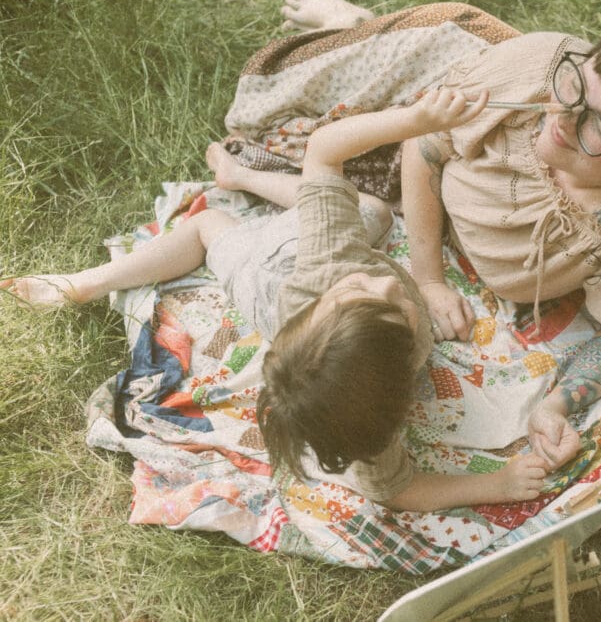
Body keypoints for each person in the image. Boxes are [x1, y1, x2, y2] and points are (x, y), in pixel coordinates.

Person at [1, 87, 549, 512]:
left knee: (373, 215)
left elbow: (324, 153)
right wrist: (493, 484)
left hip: (303, 259)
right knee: (209, 226)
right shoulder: (335, 296)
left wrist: (415, 124)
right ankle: (88, 282)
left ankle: (238, 174)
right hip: (272, 276)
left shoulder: (338, 296)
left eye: (370, 292)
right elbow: (396, 488)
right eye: (389, 301)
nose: (388, 279)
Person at [261, 0, 601, 472]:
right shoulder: (542, 75)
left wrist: (555, 406)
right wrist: (429, 279)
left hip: (454, 157)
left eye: (599, 125)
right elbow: (424, 143)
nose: (564, 118)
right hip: (445, 106)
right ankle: (355, 21)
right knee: (346, 100)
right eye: (580, 84)